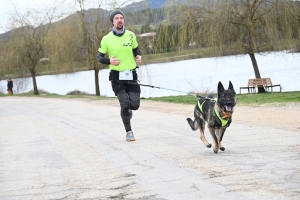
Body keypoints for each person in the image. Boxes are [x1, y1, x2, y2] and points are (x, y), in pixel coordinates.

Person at [97, 10, 142, 142]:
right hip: (116, 77)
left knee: (134, 104)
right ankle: (129, 131)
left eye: (121, 18)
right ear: (112, 21)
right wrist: (109, 61)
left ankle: (128, 109)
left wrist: (138, 56)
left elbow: (136, 49)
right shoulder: (106, 39)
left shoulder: (131, 35)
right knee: (124, 102)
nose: (119, 20)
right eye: (116, 18)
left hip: (131, 74)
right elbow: (99, 57)